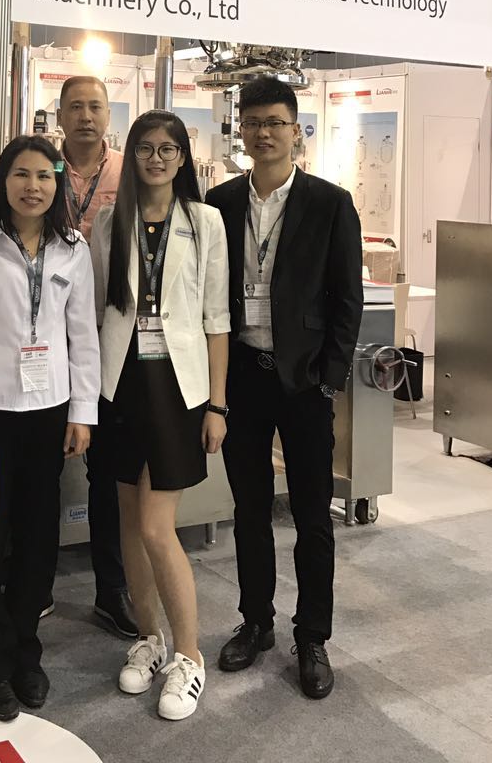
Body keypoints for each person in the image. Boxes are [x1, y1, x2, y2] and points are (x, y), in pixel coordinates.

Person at [206, 78, 363, 701]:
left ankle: (313, 635)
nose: (263, 133)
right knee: (248, 509)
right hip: (243, 376)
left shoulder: (330, 203)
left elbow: (347, 298)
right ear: (240, 131)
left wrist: (330, 378)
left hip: (304, 382)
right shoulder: (219, 202)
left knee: (312, 515)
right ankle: (256, 622)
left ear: (296, 130)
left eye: (275, 122)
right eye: (252, 122)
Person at [0, 136, 100, 724]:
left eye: (45, 176)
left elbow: (83, 335)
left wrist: (83, 411)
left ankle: (26, 651)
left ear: (58, 185)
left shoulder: (73, 249)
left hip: (49, 410)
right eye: (21, 174)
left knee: (38, 539)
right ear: (3, 180)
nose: (33, 186)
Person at [90, 111, 229, 722]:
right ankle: (149, 639)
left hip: (178, 388)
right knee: (128, 520)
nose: (156, 159)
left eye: (167, 149)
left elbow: (216, 318)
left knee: (155, 526)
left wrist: (218, 403)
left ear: (182, 157)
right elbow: (98, 307)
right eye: (145, 148)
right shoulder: (109, 221)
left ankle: (189, 656)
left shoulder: (205, 221)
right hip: (119, 382)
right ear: (132, 154)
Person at [54, 75, 137, 640]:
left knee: (107, 470)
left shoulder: (131, 170)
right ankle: (32, 583)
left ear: (109, 116)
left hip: (110, 337)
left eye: (96, 107)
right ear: (59, 115)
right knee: (37, 466)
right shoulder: (39, 166)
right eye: (75, 107)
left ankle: (113, 589)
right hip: (43, 334)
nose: (86, 116)